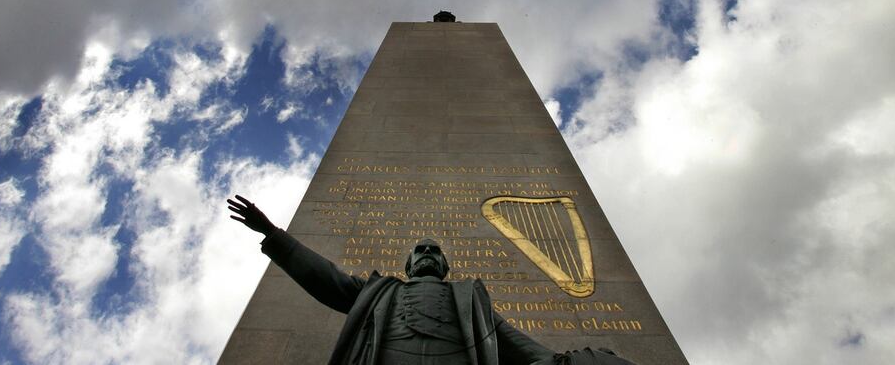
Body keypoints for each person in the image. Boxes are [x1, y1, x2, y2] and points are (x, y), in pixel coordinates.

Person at [228, 194, 638, 365]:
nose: (426, 253)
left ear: (445, 267)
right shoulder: (378, 291)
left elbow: (519, 347)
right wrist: (276, 237)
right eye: (420, 250)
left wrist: (571, 362)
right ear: (406, 266)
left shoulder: (470, 300)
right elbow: (327, 280)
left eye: (433, 251)